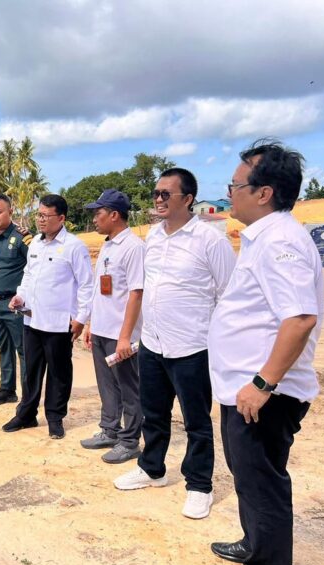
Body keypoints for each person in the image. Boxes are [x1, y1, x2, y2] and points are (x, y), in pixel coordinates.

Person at [206, 140, 324, 565]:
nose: (229, 193)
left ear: (263, 193)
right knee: (247, 475)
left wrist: (262, 383)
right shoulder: (264, 238)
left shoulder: (281, 242)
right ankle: (255, 545)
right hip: (245, 390)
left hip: (264, 394)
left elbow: (299, 319)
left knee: (263, 483)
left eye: (235, 185)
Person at [114, 167, 235, 520]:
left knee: (196, 421)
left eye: (166, 194)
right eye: (155, 193)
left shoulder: (210, 241)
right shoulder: (152, 236)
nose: (158, 199)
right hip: (152, 343)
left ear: (188, 199)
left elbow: (227, 294)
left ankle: (199, 485)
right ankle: (152, 468)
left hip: (193, 347)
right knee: (155, 413)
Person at [4, 194, 94, 439]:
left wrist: (81, 318)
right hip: (32, 319)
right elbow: (28, 277)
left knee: (58, 372)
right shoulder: (35, 245)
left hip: (59, 322)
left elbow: (86, 284)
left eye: (46, 215)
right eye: (39, 215)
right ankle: (27, 414)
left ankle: (55, 417)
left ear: (61, 218)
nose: (40, 220)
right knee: (31, 370)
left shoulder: (74, 247)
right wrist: (20, 296)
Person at [80, 189, 145, 464]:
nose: (95, 219)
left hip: (122, 334)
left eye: (99, 213)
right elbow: (101, 289)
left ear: (115, 215)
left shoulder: (134, 247)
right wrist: (90, 325)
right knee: (107, 385)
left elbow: (136, 293)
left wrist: (125, 336)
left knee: (129, 388)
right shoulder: (108, 245)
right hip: (102, 330)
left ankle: (130, 441)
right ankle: (109, 429)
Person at [0, 193, 32, 406]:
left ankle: (28, 394)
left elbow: (35, 269)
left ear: (10, 212)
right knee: (3, 347)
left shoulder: (23, 238)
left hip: (15, 304)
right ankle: (7, 389)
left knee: (23, 349)